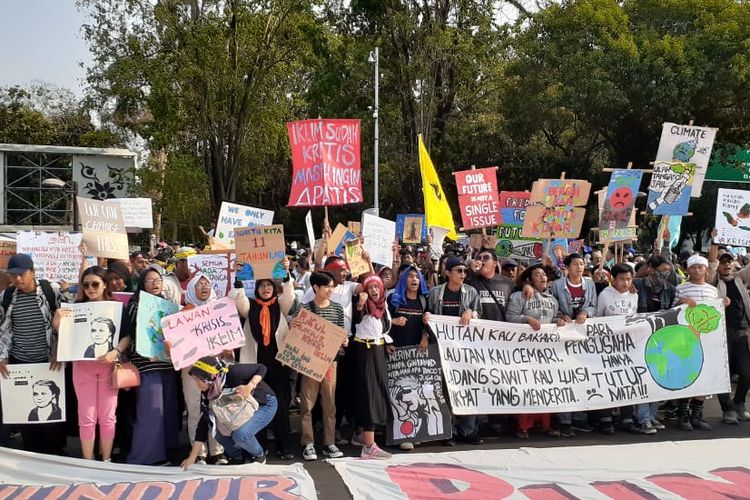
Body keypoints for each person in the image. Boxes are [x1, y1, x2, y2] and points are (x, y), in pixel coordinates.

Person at [53, 266, 130, 461]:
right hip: (82, 368)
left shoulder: (117, 308)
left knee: (107, 416)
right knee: (86, 417)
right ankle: (88, 461)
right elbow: (65, 337)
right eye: (86, 284)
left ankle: (106, 459)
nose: (90, 288)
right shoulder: (74, 307)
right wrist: (57, 322)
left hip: (108, 368)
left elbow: (127, 335)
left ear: (105, 285)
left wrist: (116, 351)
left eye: (95, 284)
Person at [0, 253, 67, 455]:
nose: (17, 279)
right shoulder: (6, 297)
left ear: (32, 272)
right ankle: (31, 452)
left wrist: (59, 351)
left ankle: (55, 452)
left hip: (49, 361)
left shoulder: (51, 291)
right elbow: (4, 330)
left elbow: (68, 321)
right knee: (26, 409)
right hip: (19, 361)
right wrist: (2, 356)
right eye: (13, 275)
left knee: (53, 411)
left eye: (22, 274)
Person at [234, 257, 297, 460]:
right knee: (256, 406)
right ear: (257, 289)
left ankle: (284, 446)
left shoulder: (280, 305)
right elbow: (238, 298)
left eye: (269, 285)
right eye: (262, 286)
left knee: (280, 405)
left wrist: (286, 274)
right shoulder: (250, 307)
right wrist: (238, 277)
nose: (266, 289)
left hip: (278, 365)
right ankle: (259, 446)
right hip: (255, 368)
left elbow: (290, 296)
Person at [124, 266, 181, 464]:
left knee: (168, 411)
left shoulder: (168, 305)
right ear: (142, 284)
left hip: (167, 365)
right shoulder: (134, 305)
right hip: (146, 365)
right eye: (150, 280)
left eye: (158, 280)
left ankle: (168, 450)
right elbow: (129, 336)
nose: (155, 283)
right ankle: (145, 457)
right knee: (151, 412)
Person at [292, 271, 349, 461]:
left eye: (332, 286)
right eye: (327, 287)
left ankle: (329, 443)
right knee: (307, 404)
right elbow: (297, 334)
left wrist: (343, 340)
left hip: (330, 363)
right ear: (316, 288)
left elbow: (341, 333)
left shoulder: (338, 309)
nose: (331, 290)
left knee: (330, 404)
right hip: (309, 363)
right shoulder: (305, 309)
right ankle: (308, 443)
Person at [181, 356, 277, 468]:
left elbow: (261, 368)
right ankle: (241, 457)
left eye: (198, 380)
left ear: (209, 377)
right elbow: (204, 422)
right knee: (216, 431)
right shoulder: (208, 392)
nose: (196, 384)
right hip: (236, 410)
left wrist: (250, 386)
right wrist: (192, 457)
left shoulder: (232, 372)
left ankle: (258, 455)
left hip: (264, 403)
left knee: (241, 434)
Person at [506, 262, 565, 438]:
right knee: (526, 388)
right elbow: (510, 318)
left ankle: (545, 424)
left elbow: (554, 318)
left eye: (544, 275)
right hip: (524, 352)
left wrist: (559, 320)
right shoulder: (519, 297)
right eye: (538, 274)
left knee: (545, 387)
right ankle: (523, 426)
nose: (543, 277)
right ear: (530, 280)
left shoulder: (552, 300)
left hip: (546, 353)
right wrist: (527, 319)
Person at [426, 256, 481, 445]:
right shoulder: (434, 293)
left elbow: (479, 317)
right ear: (448, 273)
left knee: (468, 388)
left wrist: (471, 313)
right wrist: (427, 318)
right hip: (442, 350)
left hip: (465, 351)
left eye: (465, 271)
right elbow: (429, 315)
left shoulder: (471, 293)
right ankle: (448, 430)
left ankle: (467, 430)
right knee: (445, 390)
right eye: (459, 271)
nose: (463, 274)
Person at [175, 272, 227, 465]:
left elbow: (228, 336)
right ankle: (199, 452)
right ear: (191, 288)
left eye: (207, 284)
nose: (204, 287)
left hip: (214, 369)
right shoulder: (183, 314)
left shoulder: (219, 310)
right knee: (195, 410)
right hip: (191, 370)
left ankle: (218, 450)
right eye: (199, 284)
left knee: (216, 410)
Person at [673, 254, 725, 431]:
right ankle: (683, 415)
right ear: (688, 270)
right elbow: (671, 311)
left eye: (700, 267)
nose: (697, 270)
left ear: (706, 270)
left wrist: (723, 304)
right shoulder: (681, 288)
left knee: (704, 376)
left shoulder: (712, 290)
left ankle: (697, 415)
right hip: (686, 339)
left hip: (707, 340)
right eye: (693, 267)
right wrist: (681, 301)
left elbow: (715, 314)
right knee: (687, 375)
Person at [387, 264, 430, 451]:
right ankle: (401, 435)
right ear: (404, 280)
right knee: (398, 396)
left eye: (417, 276)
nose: (414, 279)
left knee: (416, 395)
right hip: (397, 354)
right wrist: (392, 326)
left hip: (416, 355)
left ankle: (415, 432)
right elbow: (380, 322)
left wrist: (425, 336)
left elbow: (428, 325)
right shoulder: (393, 300)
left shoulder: (423, 301)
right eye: (410, 276)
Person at [708, 242, 750, 425]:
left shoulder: (739, 279)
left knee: (746, 372)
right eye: (723, 262)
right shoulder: (714, 282)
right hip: (722, 334)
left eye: (729, 262)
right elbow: (711, 265)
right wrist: (715, 242)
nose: (726, 265)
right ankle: (727, 409)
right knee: (723, 374)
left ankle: (739, 402)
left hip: (742, 333)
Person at [352, 274, 393, 459]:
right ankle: (368, 446)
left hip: (378, 350)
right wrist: (360, 304)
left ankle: (366, 437)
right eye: (370, 288)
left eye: (377, 287)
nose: (374, 291)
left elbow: (384, 329)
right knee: (369, 395)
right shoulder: (362, 306)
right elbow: (357, 318)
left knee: (378, 393)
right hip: (365, 350)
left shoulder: (383, 306)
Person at [594, 263, 638, 435]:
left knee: (627, 381)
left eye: (628, 279)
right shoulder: (605, 295)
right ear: (613, 279)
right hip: (607, 347)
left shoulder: (634, 295)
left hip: (628, 347)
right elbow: (598, 318)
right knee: (608, 381)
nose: (625, 283)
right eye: (621, 279)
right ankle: (606, 418)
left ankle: (627, 418)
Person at [468, 248, 513, 322]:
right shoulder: (472, 280)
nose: (481, 260)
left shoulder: (507, 283)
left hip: (500, 329)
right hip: (477, 329)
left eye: (486, 258)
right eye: (479, 258)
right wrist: (471, 270)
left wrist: (526, 286)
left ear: (495, 263)